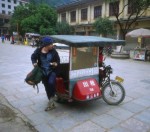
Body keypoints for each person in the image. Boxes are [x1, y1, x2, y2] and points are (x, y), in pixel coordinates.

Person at [31, 36, 60, 111]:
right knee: (47, 87)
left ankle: (53, 96)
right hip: (43, 72)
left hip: (52, 71)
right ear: (46, 45)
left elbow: (58, 60)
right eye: (51, 44)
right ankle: (51, 101)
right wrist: (34, 63)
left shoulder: (53, 51)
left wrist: (56, 63)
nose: (52, 45)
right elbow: (33, 57)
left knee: (51, 83)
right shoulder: (38, 51)